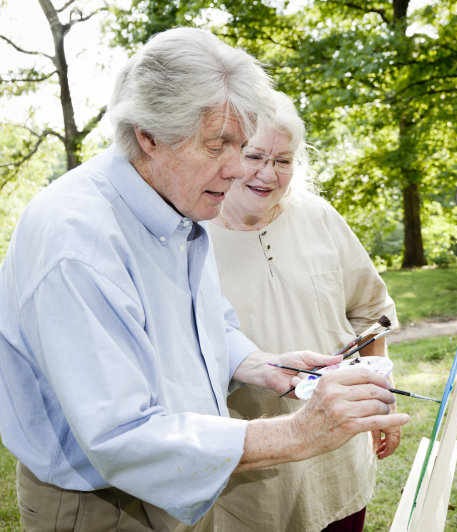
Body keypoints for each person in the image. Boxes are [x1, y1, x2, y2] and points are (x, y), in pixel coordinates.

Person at [0, 27, 410, 531]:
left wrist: (257, 363)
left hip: (185, 474)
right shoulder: (78, 244)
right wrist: (300, 434)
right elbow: (122, 436)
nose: (240, 170)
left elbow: (200, 320)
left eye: (244, 146)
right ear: (149, 137)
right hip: (104, 503)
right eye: (220, 146)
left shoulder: (176, 204)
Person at [207, 91, 401, 532]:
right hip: (249, 476)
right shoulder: (189, 237)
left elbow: (371, 313)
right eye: (255, 156)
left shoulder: (320, 217)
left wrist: (379, 399)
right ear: (229, 155)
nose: (267, 173)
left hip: (338, 460)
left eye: (283, 160)